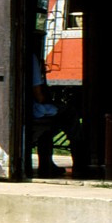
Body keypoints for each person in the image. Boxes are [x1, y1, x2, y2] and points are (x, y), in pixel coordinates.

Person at [28, 50, 70, 178]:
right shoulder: (31, 56)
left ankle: (47, 163)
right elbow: (39, 95)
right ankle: (81, 162)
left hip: (29, 108)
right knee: (68, 113)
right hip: (33, 109)